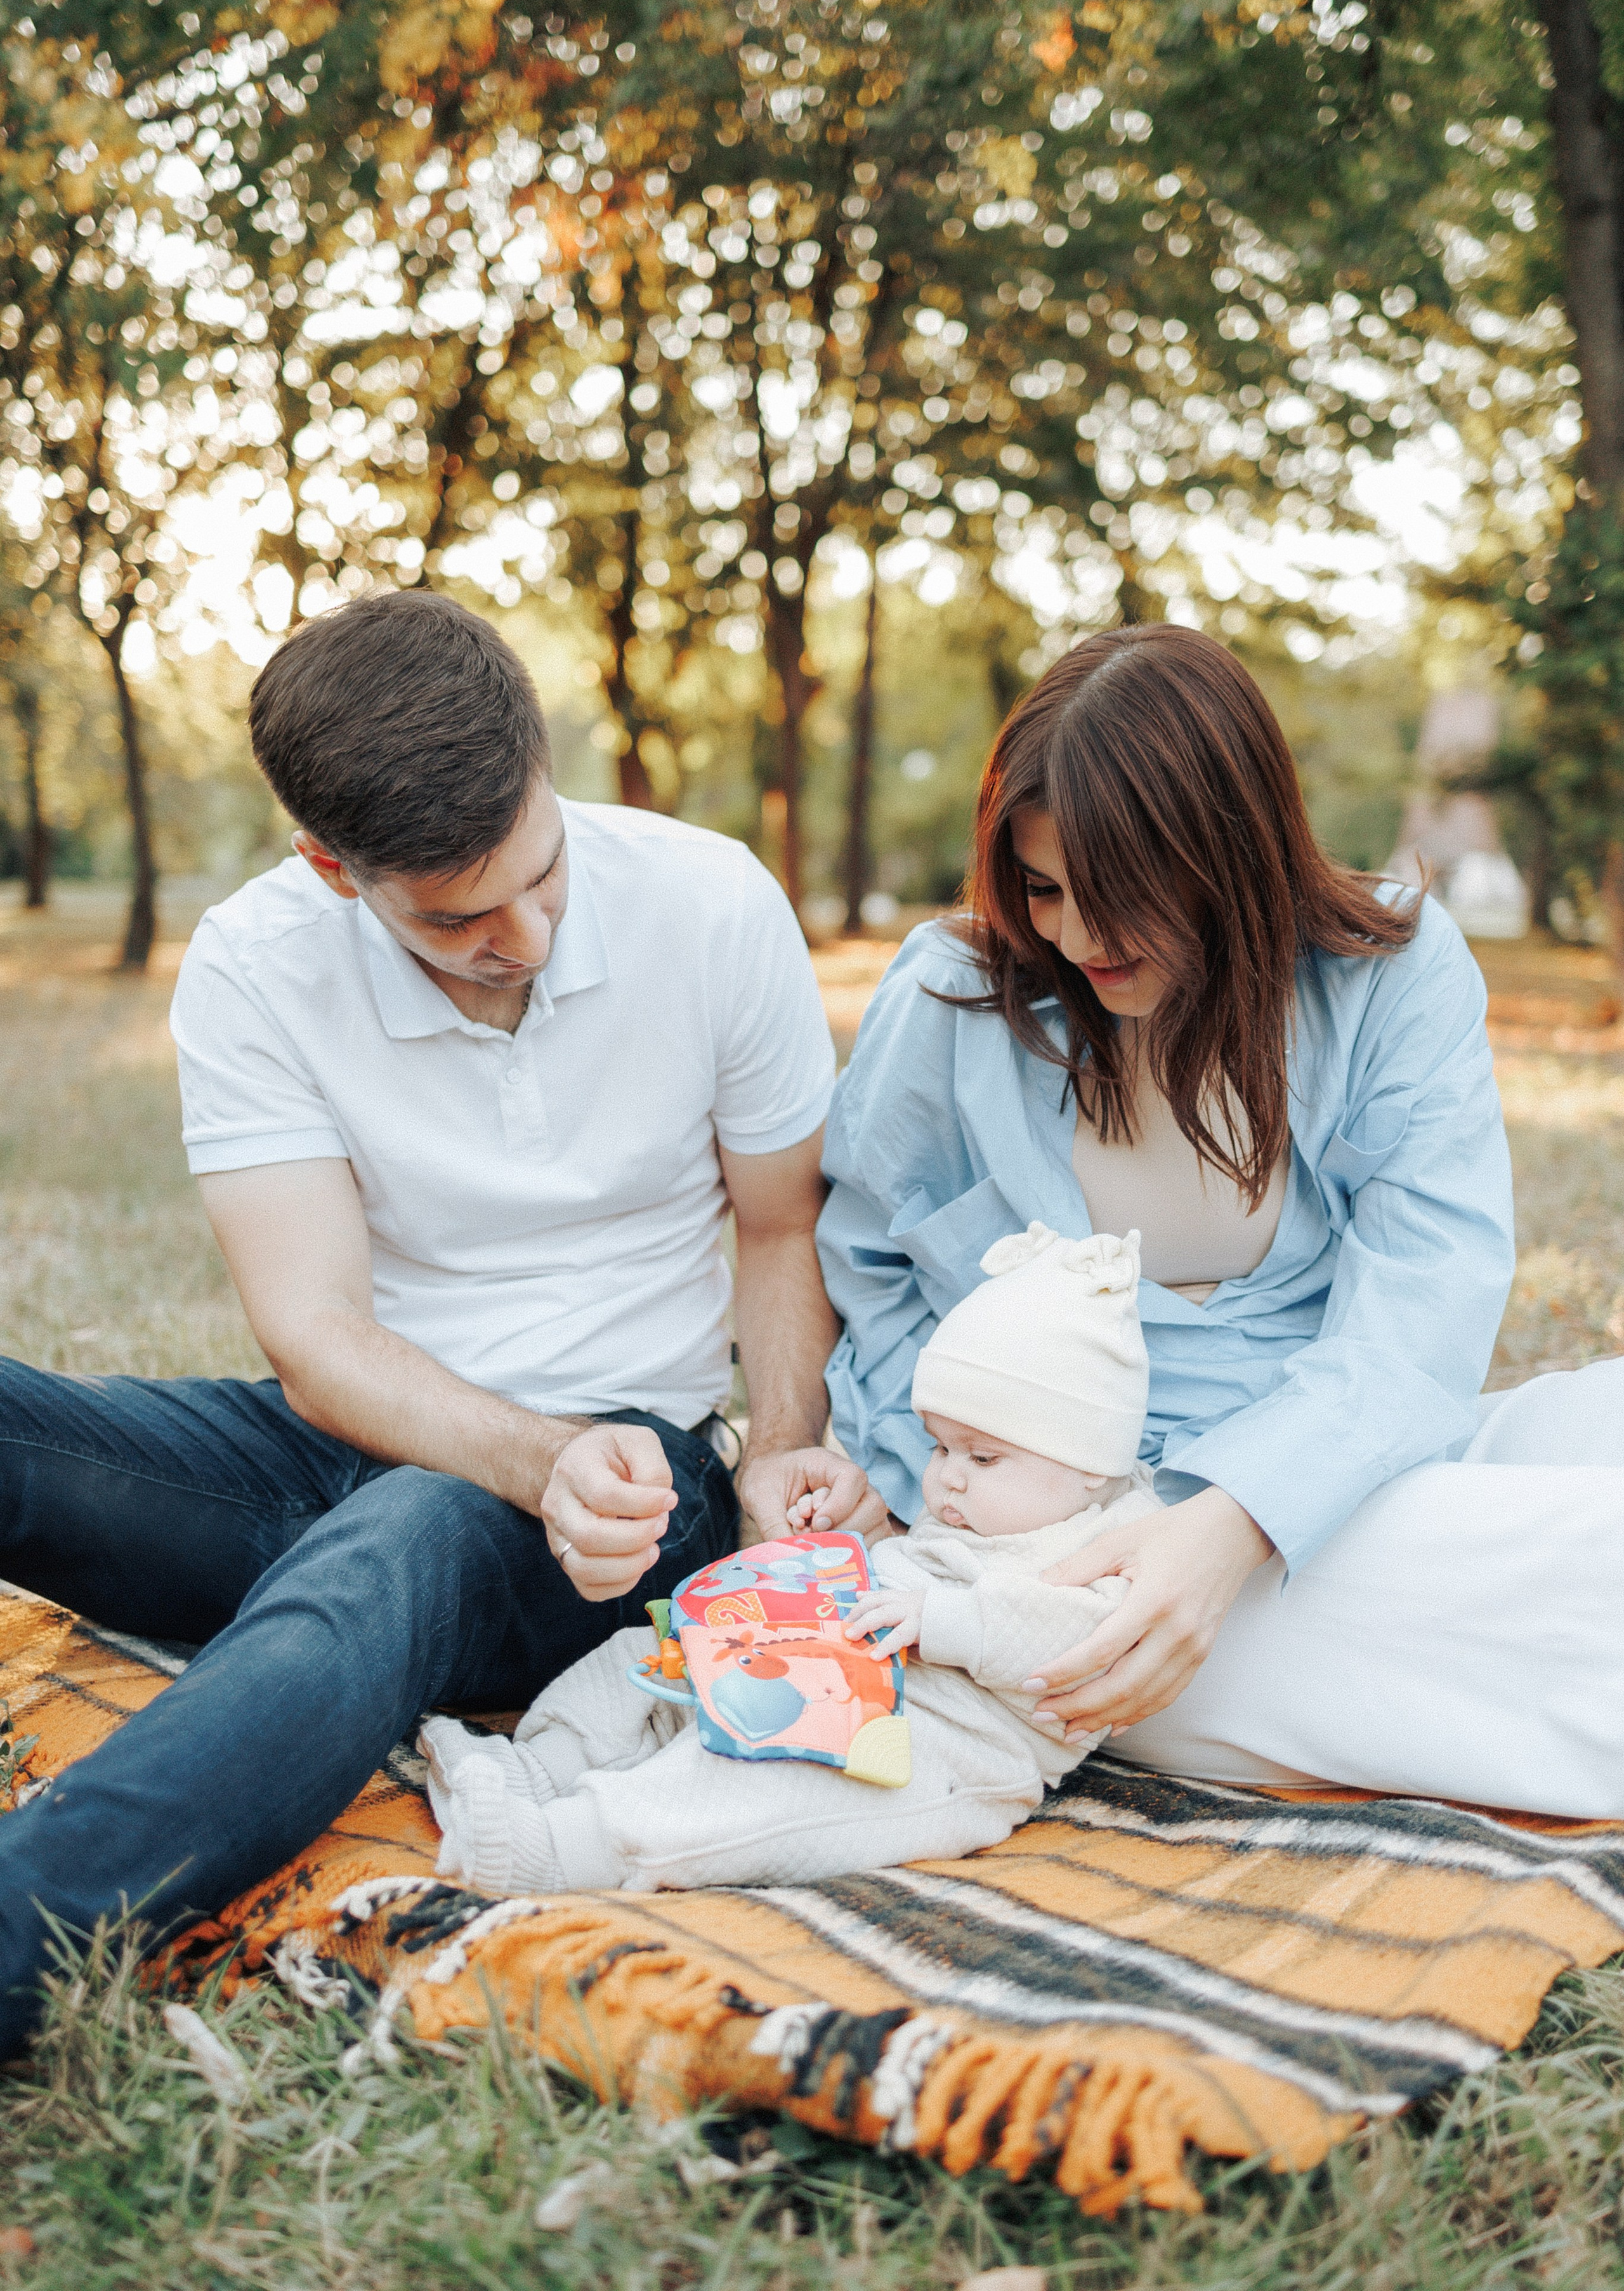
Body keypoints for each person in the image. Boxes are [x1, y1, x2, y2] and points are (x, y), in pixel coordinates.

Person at [0, 590, 882, 2057]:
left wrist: (775, 1458)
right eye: (456, 916)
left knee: (384, 1560)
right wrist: (516, 1453)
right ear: (331, 869)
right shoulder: (252, 959)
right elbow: (319, 1341)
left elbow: (781, 1226)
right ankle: (304, 1673)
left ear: (545, 772)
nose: (519, 933)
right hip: (343, 1438)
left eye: (537, 876)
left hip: (618, 1491)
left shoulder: (712, 902)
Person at [819, 623, 1624, 1819]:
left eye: (1124, 895)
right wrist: (942, 1499)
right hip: (1073, 1553)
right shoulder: (953, 1000)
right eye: (1044, 890)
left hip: (1326, 1471)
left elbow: (1420, 1324)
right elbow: (870, 1271)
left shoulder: (1391, 973)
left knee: (1588, 1419)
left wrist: (1234, 1524)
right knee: (1577, 1567)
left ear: (1232, 851)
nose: (1080, 939)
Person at [422, 1225, 1157, 1894]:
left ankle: (560, 1850)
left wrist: (941, 1622)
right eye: (939, 1447)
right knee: (657, 1654)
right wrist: (853, 1552)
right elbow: (914, 1573)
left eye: (983, 1455)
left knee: (752, 1793)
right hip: (843, 1676)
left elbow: (1078, 1644)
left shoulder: (1117, 1543)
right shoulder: (997, 1503)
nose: (948, 1476)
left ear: (1088, 1463)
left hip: (943, 1754)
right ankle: (540, 1767)